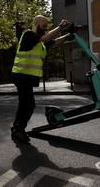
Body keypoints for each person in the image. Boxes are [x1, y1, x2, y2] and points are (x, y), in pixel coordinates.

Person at [11, 15, 71, 143]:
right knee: (27, 104)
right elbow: (46, 37)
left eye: (46, 26)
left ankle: (17, 128)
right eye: (44, 25)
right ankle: (17, 129)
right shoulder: (28, 35)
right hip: (21, 75)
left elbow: (54, 42)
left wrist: (68, 35)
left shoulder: (40, 43)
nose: (46, 28)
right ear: (36, 24)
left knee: (27, 104)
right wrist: (60, 27)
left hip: (27, 77)